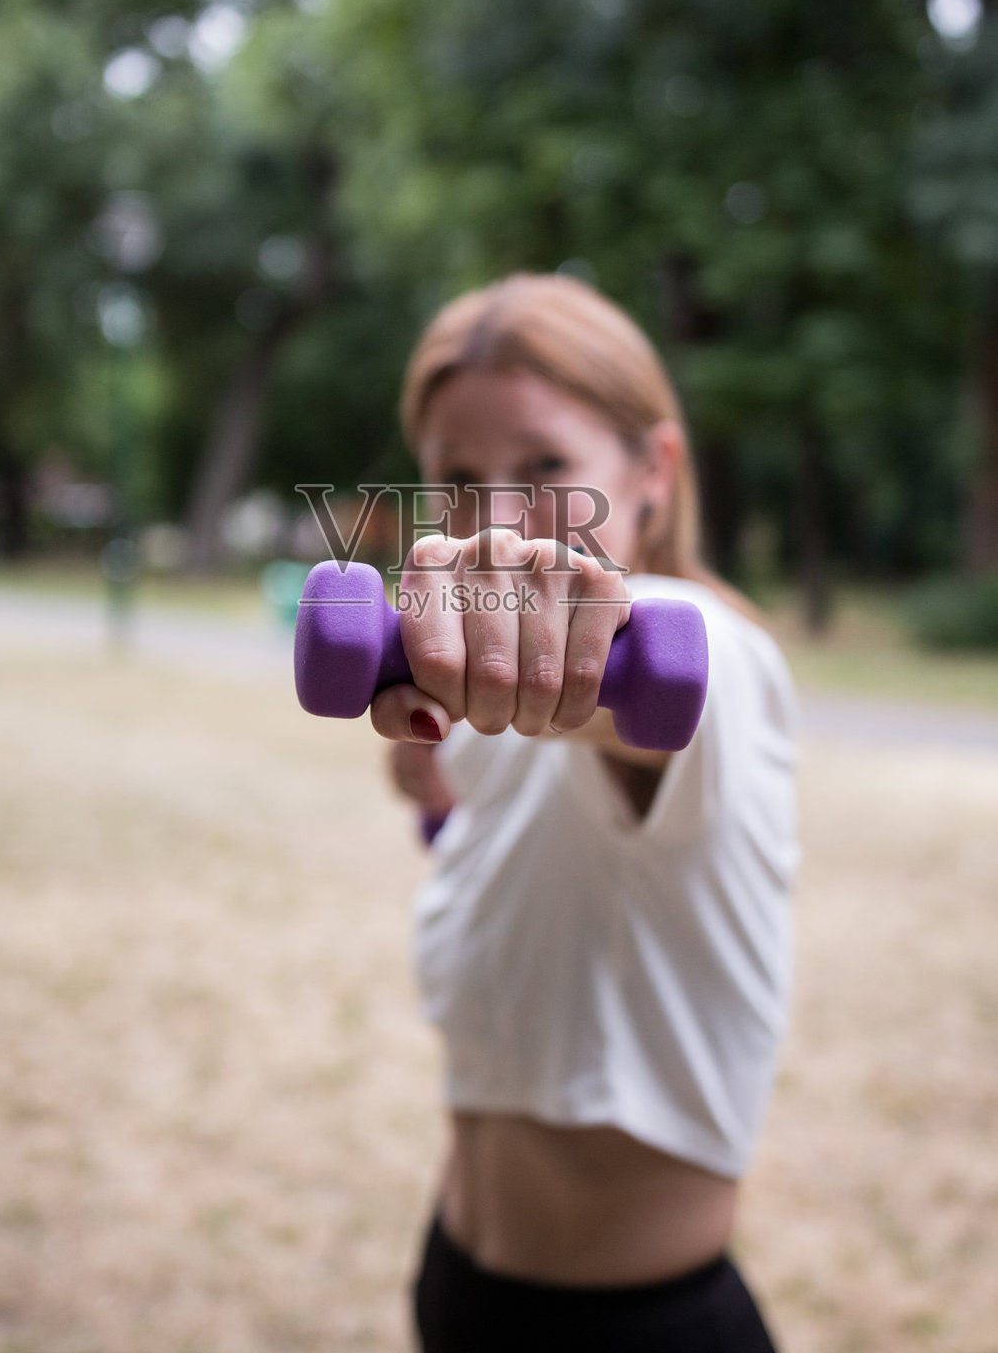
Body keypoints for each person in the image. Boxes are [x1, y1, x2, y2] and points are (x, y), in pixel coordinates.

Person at [372, 272, 798, 1352]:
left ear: (650, 472)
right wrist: (434, 791)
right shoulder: (501, 693)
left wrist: (544, 675)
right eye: (457, 480)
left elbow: (656, 712)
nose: (499, 522)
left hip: (633, 1326)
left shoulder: (699, 649)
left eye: (546, 467)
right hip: (460, 1283)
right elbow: (530, 867)